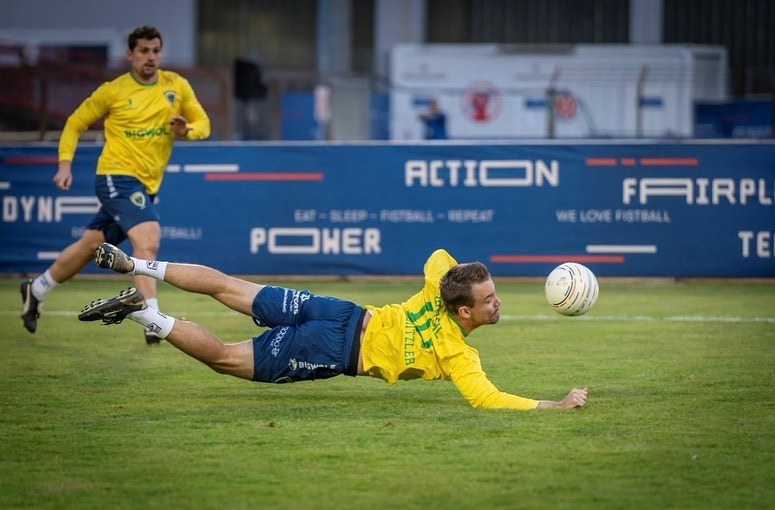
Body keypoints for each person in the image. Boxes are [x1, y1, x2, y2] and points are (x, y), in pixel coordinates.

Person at [78, 242, 589, 410]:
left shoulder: (439, 288)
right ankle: (147, 312)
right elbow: (486, 398)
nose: (498, 304)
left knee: (231, 286)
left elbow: (438, 257)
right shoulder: (459, 353)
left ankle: (137, 266)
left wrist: (452, 281)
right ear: (464, 313)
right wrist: (554, 404)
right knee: (228, 359)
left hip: (340, 310)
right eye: (490, 299)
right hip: (334, 346)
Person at [20, 26, 211, 344]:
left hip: (147, 184)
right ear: (130, 55)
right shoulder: (114, 90)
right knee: (148, 239)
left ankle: (36, 288)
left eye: (156, 51)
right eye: (144, 51)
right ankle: (153, 318)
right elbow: (75, 123)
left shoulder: (176, 86)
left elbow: (204, 125)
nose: (151, 57)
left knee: (90, 246)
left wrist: (187, 129)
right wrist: (65, 163)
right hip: (116, 176)